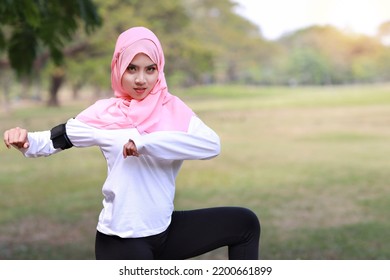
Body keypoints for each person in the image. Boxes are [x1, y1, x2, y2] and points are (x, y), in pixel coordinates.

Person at [3, 26, 260, 260]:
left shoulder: (174, 110)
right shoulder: (104, 113)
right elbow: (53, 140)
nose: (141, 79)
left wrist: (146, 143)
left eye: (150, 69)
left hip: (165, 231)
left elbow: (211, 145)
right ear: (118, 68)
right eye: (132, 68)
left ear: (159, 69)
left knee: (244, 223)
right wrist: (25, 140)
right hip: (121, 241)